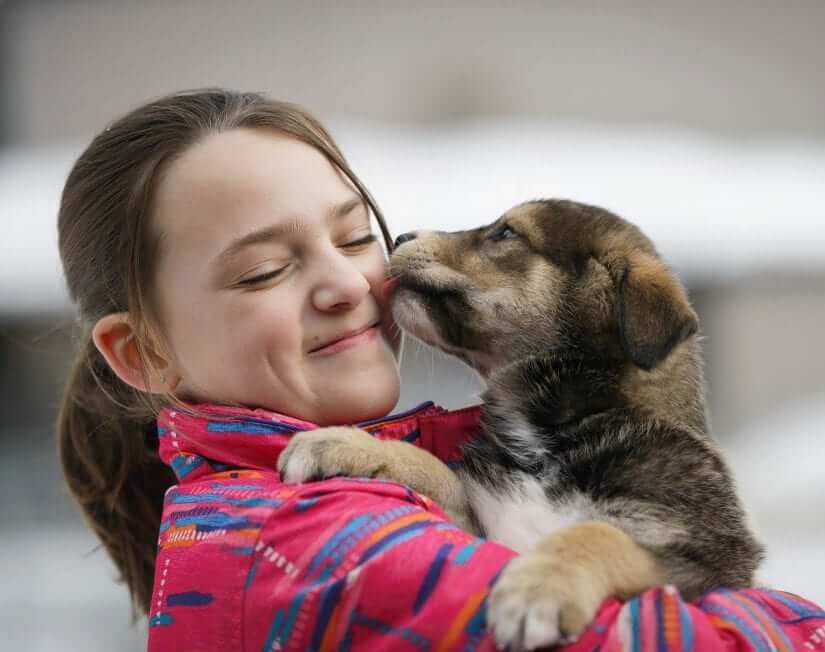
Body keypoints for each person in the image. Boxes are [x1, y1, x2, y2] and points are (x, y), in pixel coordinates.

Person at [57, 88, 824, 651]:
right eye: (262, 271)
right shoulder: (316, 548)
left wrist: (404, 463)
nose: (352, 285)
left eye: (355, 237)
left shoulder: (412, 470)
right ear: (143, 353)